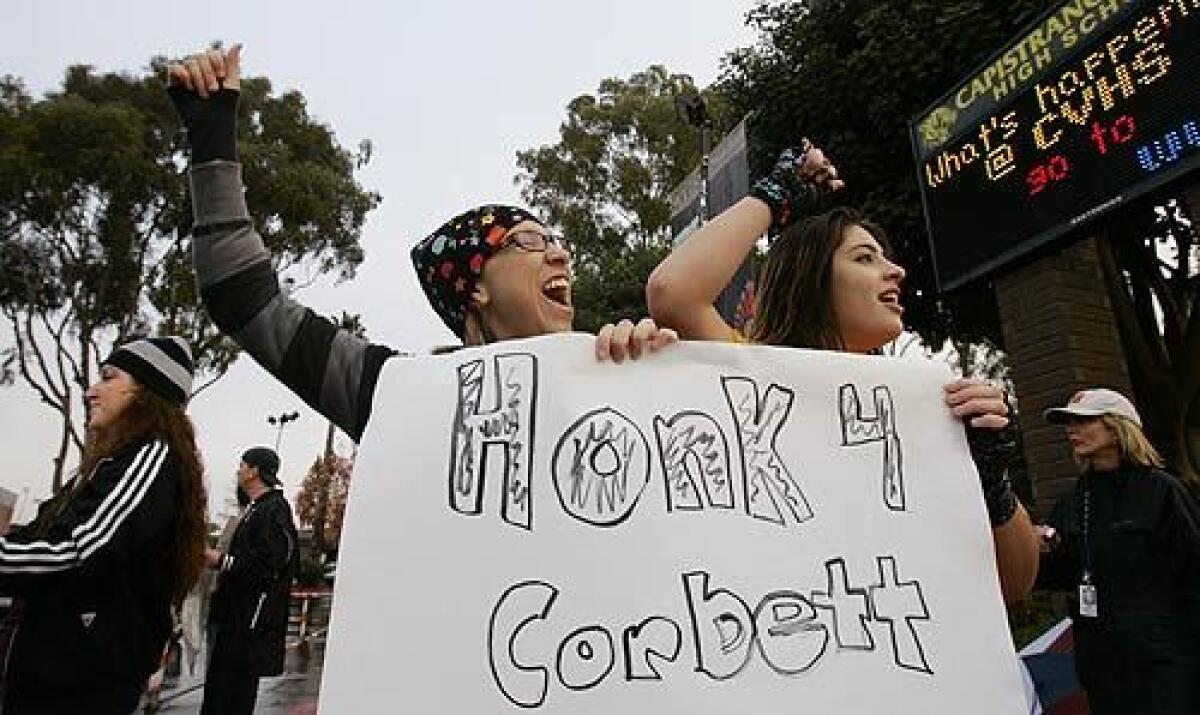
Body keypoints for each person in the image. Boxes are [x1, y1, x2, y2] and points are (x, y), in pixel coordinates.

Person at [167, 43, 676, 447]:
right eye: (526, 241)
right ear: (476, 288)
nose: (560, 255)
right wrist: (212, 135)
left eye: (557, 242)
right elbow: (244, 300)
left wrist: (656, 376)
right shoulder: (394, 393)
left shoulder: (615, 374)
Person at [646, 141, 1040, 602]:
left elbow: (1015, 584)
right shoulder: (753, 382)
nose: (896, 271)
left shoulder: (936, 411)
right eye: (864, 258)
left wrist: (992, 479)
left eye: (885, 258)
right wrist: (776, 195)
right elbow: (672, 292)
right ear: (808, 280)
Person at [0, 336, 207, 714]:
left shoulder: (151, 458)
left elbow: (76, 552)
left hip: (79, 685)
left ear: (147, 393)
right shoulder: (113, 462)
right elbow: (42, 533)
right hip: (53, 677)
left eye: (109, 377)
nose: (91, 391)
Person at [1039, 388, 1200, 714]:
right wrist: (1040, 547)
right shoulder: (1073, 500)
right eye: (1068, 423)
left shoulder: (1162, 490)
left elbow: (1194, 571)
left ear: (1116, 426)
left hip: (1167, 666)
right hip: (1102, 669)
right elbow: (1055, 575)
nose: (1072, 430)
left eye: (1083, 421)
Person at [201, 446, 298, 715]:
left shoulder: (274, 509)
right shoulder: (255, 509)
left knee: (232, 694)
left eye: (243, 465)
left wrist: (221, 561)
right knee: (220, 689)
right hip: (233, 615)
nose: (238, 470)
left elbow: (272, 563)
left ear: (255, 471)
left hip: (247, 622)